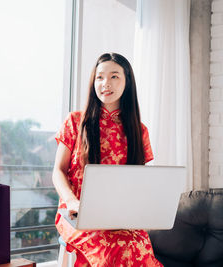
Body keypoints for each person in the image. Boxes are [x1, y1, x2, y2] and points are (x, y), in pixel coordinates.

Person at [52, 53, 162, 267]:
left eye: (114, 77)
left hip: (121, 216)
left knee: (136, 247)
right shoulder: (75, 121)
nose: (105, 84)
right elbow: (58, 171)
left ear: (127, 81)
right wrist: (71, 200)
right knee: (115, 250)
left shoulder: (139, 131)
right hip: (77, 213)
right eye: (100, 77)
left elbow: (139, 183)